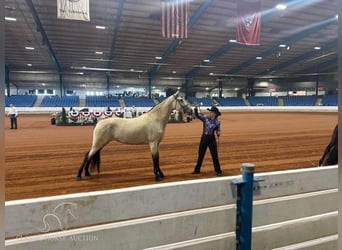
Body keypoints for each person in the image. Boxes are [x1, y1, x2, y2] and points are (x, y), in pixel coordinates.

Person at [192, 104, 222, 176]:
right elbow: (198, 116)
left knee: (214, 155)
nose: (210, 113)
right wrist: (195, 109)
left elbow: (218, 129)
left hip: (212, 139)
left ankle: (218, 170)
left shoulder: (218, 122)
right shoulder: (205, 118)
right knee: (201, 155)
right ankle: (197, 170)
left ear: (215, 114)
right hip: (204, 138)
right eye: (210, 112)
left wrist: (218, 132)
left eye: (211, 112)